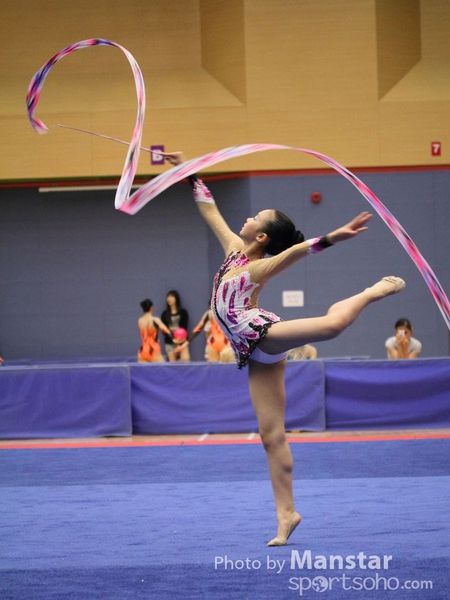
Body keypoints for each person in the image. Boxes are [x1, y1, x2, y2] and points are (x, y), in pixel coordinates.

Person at [163, 151, 405, 547]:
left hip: (261, 332)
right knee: (270, 433)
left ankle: (371, 291)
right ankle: (287, 514)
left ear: (262, 237)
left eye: (256, 217)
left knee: (332, 325)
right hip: (250, 351)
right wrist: (187, 170)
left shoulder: (260, 267)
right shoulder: (232, 250)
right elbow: (210, 211)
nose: (248, 217)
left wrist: (333, 237)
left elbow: (296, 251)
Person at [161, 290, 190, 362]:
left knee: (186, 359)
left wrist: (180, 340)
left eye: (171, 296)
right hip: (170, 342)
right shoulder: (164, 314)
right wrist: (172, 339)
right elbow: (164, 330)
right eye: (168, 297)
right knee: (173, 363)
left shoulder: (183, 312)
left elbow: (184, 327)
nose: (169, 298)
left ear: (176, 298)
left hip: (182, 341)